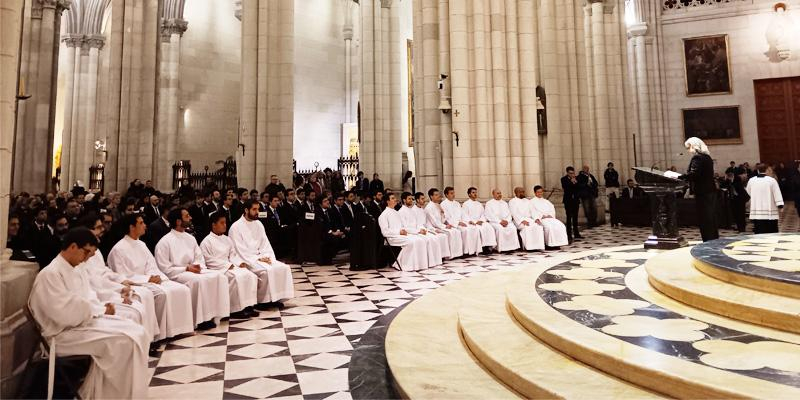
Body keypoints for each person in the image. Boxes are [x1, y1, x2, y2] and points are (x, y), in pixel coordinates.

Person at [29, 228, 150, 399]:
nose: (86, 259)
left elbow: (88, 297)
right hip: (60, 335)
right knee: (124, 341)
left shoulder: (75, 269)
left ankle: (124, 394)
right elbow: (61, 313)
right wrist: (95, 309)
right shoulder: (50, 274)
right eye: (86, 253)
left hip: (81, 324)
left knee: (136, 331)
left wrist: (98, 308)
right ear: (72, 247)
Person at [107, 214, 194, 339]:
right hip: (137, 283)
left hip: (149, 279)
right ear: (132, 227)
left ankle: (181, 328)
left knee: (182, 289)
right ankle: (161, 333)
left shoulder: (141, 244)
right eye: (141, 223)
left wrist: (155, 276)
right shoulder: (118, 249)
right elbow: (122, 275)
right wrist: (147, 279)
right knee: (161, 295)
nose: (145, 225)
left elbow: (151, 264)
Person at [79, 215, 159, 342]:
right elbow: (95, 284)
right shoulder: (81, 256)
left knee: (141, 300)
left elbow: (104, 272)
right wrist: (119, 291)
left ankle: (148, 339)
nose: (103, 230)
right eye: (99, 227)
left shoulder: (94, 251)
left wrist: (121, 282)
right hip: (99, 298)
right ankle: (143, 342)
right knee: (136, 308)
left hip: (104, 292)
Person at [154, 208, 230, 329]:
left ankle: (215, 315)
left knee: (219, 276)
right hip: (177, 273)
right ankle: (199, 319)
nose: (190, 218)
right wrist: (186, 268)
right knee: (198, 281)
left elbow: (198, 256)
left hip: (194, 269)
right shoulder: (164, 242)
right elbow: (164, 267)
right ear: (178, 221)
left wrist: (196, 265)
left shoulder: (190, 238)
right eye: (187, 216)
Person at [229, 200, 295, 308]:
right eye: (254, 209)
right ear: (246, 210)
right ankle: (263, 301)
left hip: (262, 257)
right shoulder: (235, 227)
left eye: (258, 209)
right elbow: (239, 250)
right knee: (266, 271)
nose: (257, 212)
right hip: (248, 259)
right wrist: (258, 259)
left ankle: (276, 298)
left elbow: (265, 244)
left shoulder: (259, 224)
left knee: (283, 267)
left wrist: (267, 257)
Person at [200, 212, 260, 318]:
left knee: (250, 275)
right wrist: (227, 265)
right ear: (214, 225)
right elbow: (208, 261)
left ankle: (248, 305)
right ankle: (235, 309)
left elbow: (233, 255)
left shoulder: (227, 239)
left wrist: (239, 263)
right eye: (221, 223)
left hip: (231, 266)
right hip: (219, 269)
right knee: (236, 278)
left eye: (225, 223)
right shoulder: (206, 242)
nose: (225, 225)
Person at [680, 137, 719, 242]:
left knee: (705, 218)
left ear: (694, 146)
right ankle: (713, 239)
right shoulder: (708, 157)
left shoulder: (697, 158)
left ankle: (708, 240)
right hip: (710, 191)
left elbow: (694, 174)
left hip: (702, 192)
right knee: (710, 217)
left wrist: (680, 177)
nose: (688, 151)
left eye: (689, 148)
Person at [378, 194, 430, 271]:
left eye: (395, 198)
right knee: (411, 241)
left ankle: (417, 265)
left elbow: (402, 226)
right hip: (391, 237)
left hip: (400, 235)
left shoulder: (396, 212)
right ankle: (404, 265)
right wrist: (399, 232)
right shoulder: (383, 215)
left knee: (419, 240)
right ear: (387, 201)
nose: (395, 199)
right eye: (392, 198)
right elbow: (385, 232)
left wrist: (404, 231)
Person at [398, 192, 443, 268]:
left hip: (417, 231)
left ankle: (432, 261)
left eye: (412, 199)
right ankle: (419, 264)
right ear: (404, 200)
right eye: (409, 199)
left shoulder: (411, 210)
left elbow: (418, 224)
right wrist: (418, 231)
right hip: (410, 233)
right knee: (423, 240)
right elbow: (405, 227)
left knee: (434, 238)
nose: (411, 200)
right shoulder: (401, 211)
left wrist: (423, 230)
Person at [442, 187, 482, 255]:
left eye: (454, 193)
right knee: (466, 230)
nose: (453, 195)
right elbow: (446, 218)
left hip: (462, 222)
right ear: (446, 195)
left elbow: (463, 214)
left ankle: (474, 251)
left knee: (474, 228)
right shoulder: (443, 204)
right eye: (451, 193)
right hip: (454, 224)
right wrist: (458, 223)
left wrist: (469, 221)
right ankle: (465, 251)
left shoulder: (457, 203)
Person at [425, 188, 464, 258]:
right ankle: (449, 255)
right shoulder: (429, 207)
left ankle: (457, 254)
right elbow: (434, 221)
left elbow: (442, 219)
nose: (438, 196)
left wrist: (444, 219)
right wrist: (444, 226)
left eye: (438, 195)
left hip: (441, 225)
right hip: (434, 227)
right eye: (436, 195)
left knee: (456, 231)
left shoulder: (437, 205)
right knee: (450, 233)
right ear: (431, 196)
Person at [746, 163, 784, 234]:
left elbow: (747, 194)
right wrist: (780, 205)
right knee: (771, 231)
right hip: (770, 211)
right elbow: (777, 194)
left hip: (757, 211)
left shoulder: (751, 180)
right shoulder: (772, 180)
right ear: (766, 170)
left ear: (758, 170)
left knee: (759, 230)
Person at [413, 192, 451, 259]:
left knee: (442, 236)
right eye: (422, 199)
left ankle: (440, 256)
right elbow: (415, 224)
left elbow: (427, 223)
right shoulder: (413, 210)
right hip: (419, 231)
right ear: (417, 200)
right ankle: (432, 258)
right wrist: (421, 230)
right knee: (434, 238)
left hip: (427, 229)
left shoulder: (422, 210)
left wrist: (433, 229)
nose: (424, 200)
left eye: (424, 198)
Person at [462, 187, 498, 252]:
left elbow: (483, 214)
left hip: (480, 221)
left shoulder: (479, 204)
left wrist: (481, 220)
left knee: (489, 227)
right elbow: (464, 215)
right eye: (473, 192)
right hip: (472, 222)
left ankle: (489, 246)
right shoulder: (466, 204)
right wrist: (470, 221)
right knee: (479, 229)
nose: (475, 194)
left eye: (476, 192)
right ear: (469, 194)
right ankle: (482, 247)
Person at [509, 187, 545, 251]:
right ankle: (528, 247)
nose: (522, 193)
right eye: (520, 192)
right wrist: (522, 221)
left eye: (523, 192)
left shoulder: (528, 201)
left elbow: (533, 211)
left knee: (538, 226)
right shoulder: (512, 201)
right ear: (516, 193)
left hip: (529, 219)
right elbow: (514, 213)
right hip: (519, 220)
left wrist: (536, 219)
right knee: (527, 227)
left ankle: (537, 246)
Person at [561, 166, 582, 241]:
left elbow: (579, 187)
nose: (572, 174)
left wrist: (575, 182)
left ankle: (576, 233)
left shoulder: (577, 179)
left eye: (573, 173)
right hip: (568, 201)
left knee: (575, 217)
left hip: (575, 200)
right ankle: (569, 234)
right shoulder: (563, 179)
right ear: (567, 173)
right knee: (569, 217)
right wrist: (571, 182)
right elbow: (566, 188)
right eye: (570, 173)